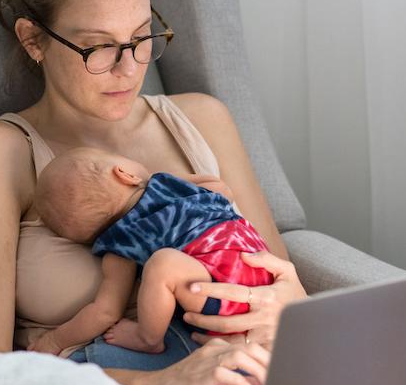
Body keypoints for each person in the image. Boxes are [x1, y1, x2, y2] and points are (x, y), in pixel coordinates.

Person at [0, 0, 406, 385]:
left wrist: (287, 310)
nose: (129, 68)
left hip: (250, 383)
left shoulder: (201, 120)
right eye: (98, 47)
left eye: (143, 37)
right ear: (34, 39)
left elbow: (278, 274)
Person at [27, 146, 274, 355]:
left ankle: (149, 337)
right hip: (239, 279)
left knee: (165, 263)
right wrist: (56, 341)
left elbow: (104, 311)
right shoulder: (123, 240)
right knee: (164, 263)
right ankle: (148, 338)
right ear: (124, 174)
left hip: (246, 279)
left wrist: (55, 340)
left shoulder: (122, 243)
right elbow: (222, 189)